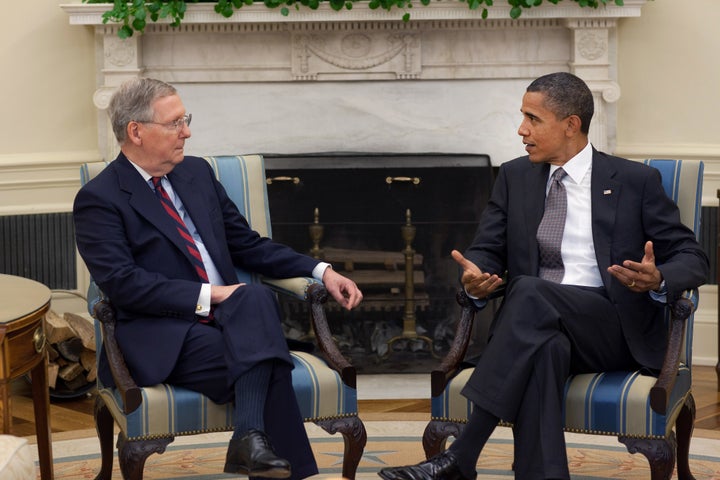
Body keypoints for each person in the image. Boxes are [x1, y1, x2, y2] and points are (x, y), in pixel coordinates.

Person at [378, 72, 709, 480]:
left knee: (531, 292)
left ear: (571, 124)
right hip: (536, 325)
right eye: (523, 118)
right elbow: (487, 248)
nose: (522, 130)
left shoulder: (633, 181)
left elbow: (693, 257)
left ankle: (462, 455)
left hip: (611, 329)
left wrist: (657, 278)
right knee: (544, 347)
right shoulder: (515, 177)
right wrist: (476, 274)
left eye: (533, 119)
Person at [73, 77, 363, 479]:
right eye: (174, 123)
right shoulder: (99, 198)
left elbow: (248, 245)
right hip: (163, 333)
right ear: (135, 131)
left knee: (255, 302)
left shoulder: (196, 173)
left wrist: (321, 270)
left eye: (185, 119)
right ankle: (285, 465)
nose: (186, 131)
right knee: (270, 360)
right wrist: (211, 295)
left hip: (235, 320)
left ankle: (248, 439)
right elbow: (124, 284)